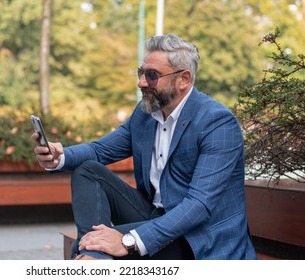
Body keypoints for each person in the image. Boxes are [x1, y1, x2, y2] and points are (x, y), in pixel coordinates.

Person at [31, 33, 256, 260]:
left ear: (184, 79)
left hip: (198, 239)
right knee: (88, 171)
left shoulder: (217, 123)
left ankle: (92, 256)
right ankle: (94, 255)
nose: (141, 82)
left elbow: (199, 205)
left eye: (152, 75)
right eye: (141, 72)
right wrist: (59, 157)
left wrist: (128, 241)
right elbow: (100, 150)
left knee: (92, 247)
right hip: (154, 217)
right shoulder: (145, 114)